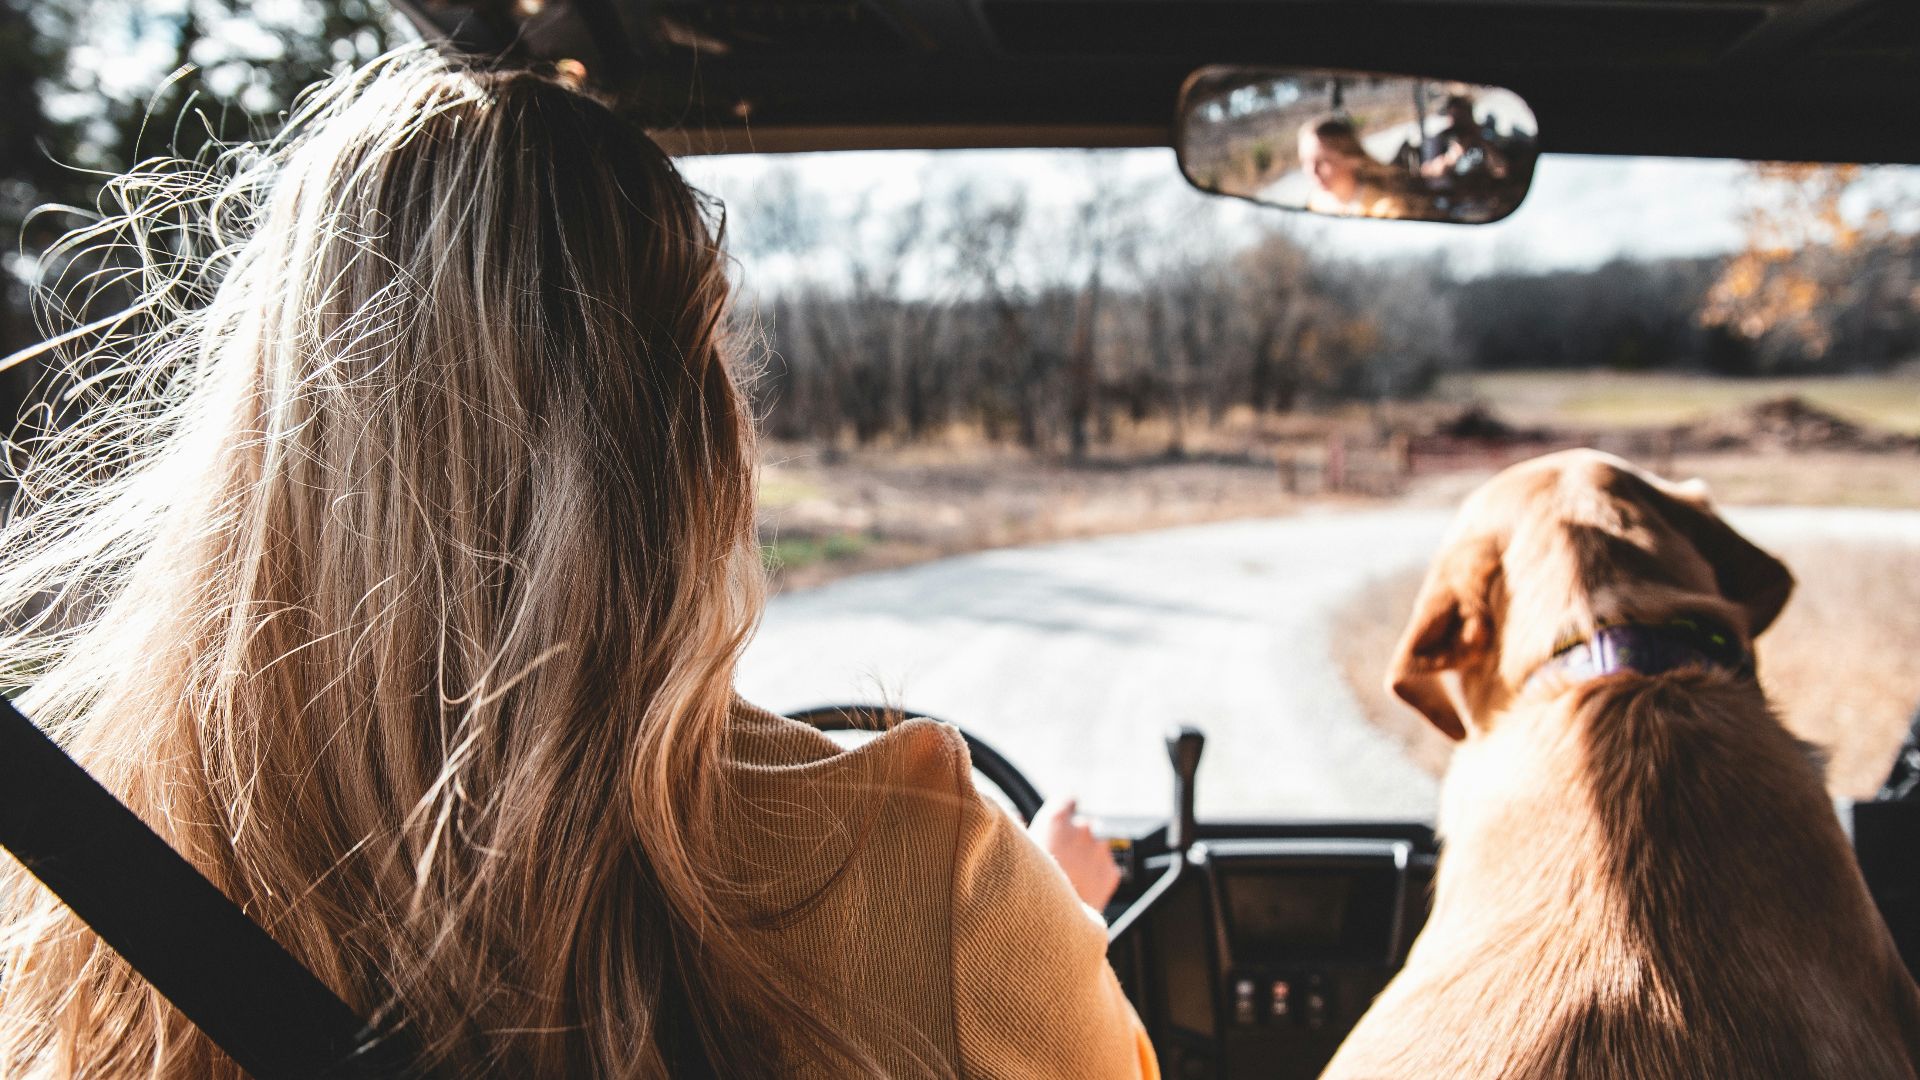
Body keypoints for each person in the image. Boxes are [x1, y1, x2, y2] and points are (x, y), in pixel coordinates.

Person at [0, 49, 1155, 1079]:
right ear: (696, 449)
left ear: (265, 450)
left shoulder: (94, 925)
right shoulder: (943, 896)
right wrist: (1057, 921)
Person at [1295, 116, 1415, 219]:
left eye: (1323, 161)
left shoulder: (1387, 211)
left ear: (1353, 160)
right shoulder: (1316, 203)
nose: (1312, 171)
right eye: (1305, 161)